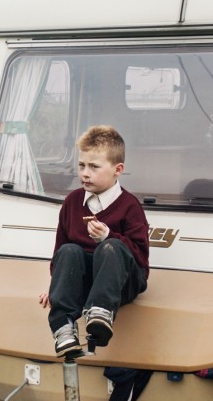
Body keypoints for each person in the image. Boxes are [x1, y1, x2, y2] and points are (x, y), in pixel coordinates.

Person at [38, 125, 149, 360]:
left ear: (117, 170)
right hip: (85, 281)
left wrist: (108, 236)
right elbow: (60, 249)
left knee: (111, 247)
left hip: (121, 282)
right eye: (81, 166)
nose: (85, 174)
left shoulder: (130, 206)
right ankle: (63, 328)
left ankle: (101, 313)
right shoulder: (72, 201)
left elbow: (140, 258)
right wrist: (55, 285)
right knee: (69, 250)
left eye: (94, 167)